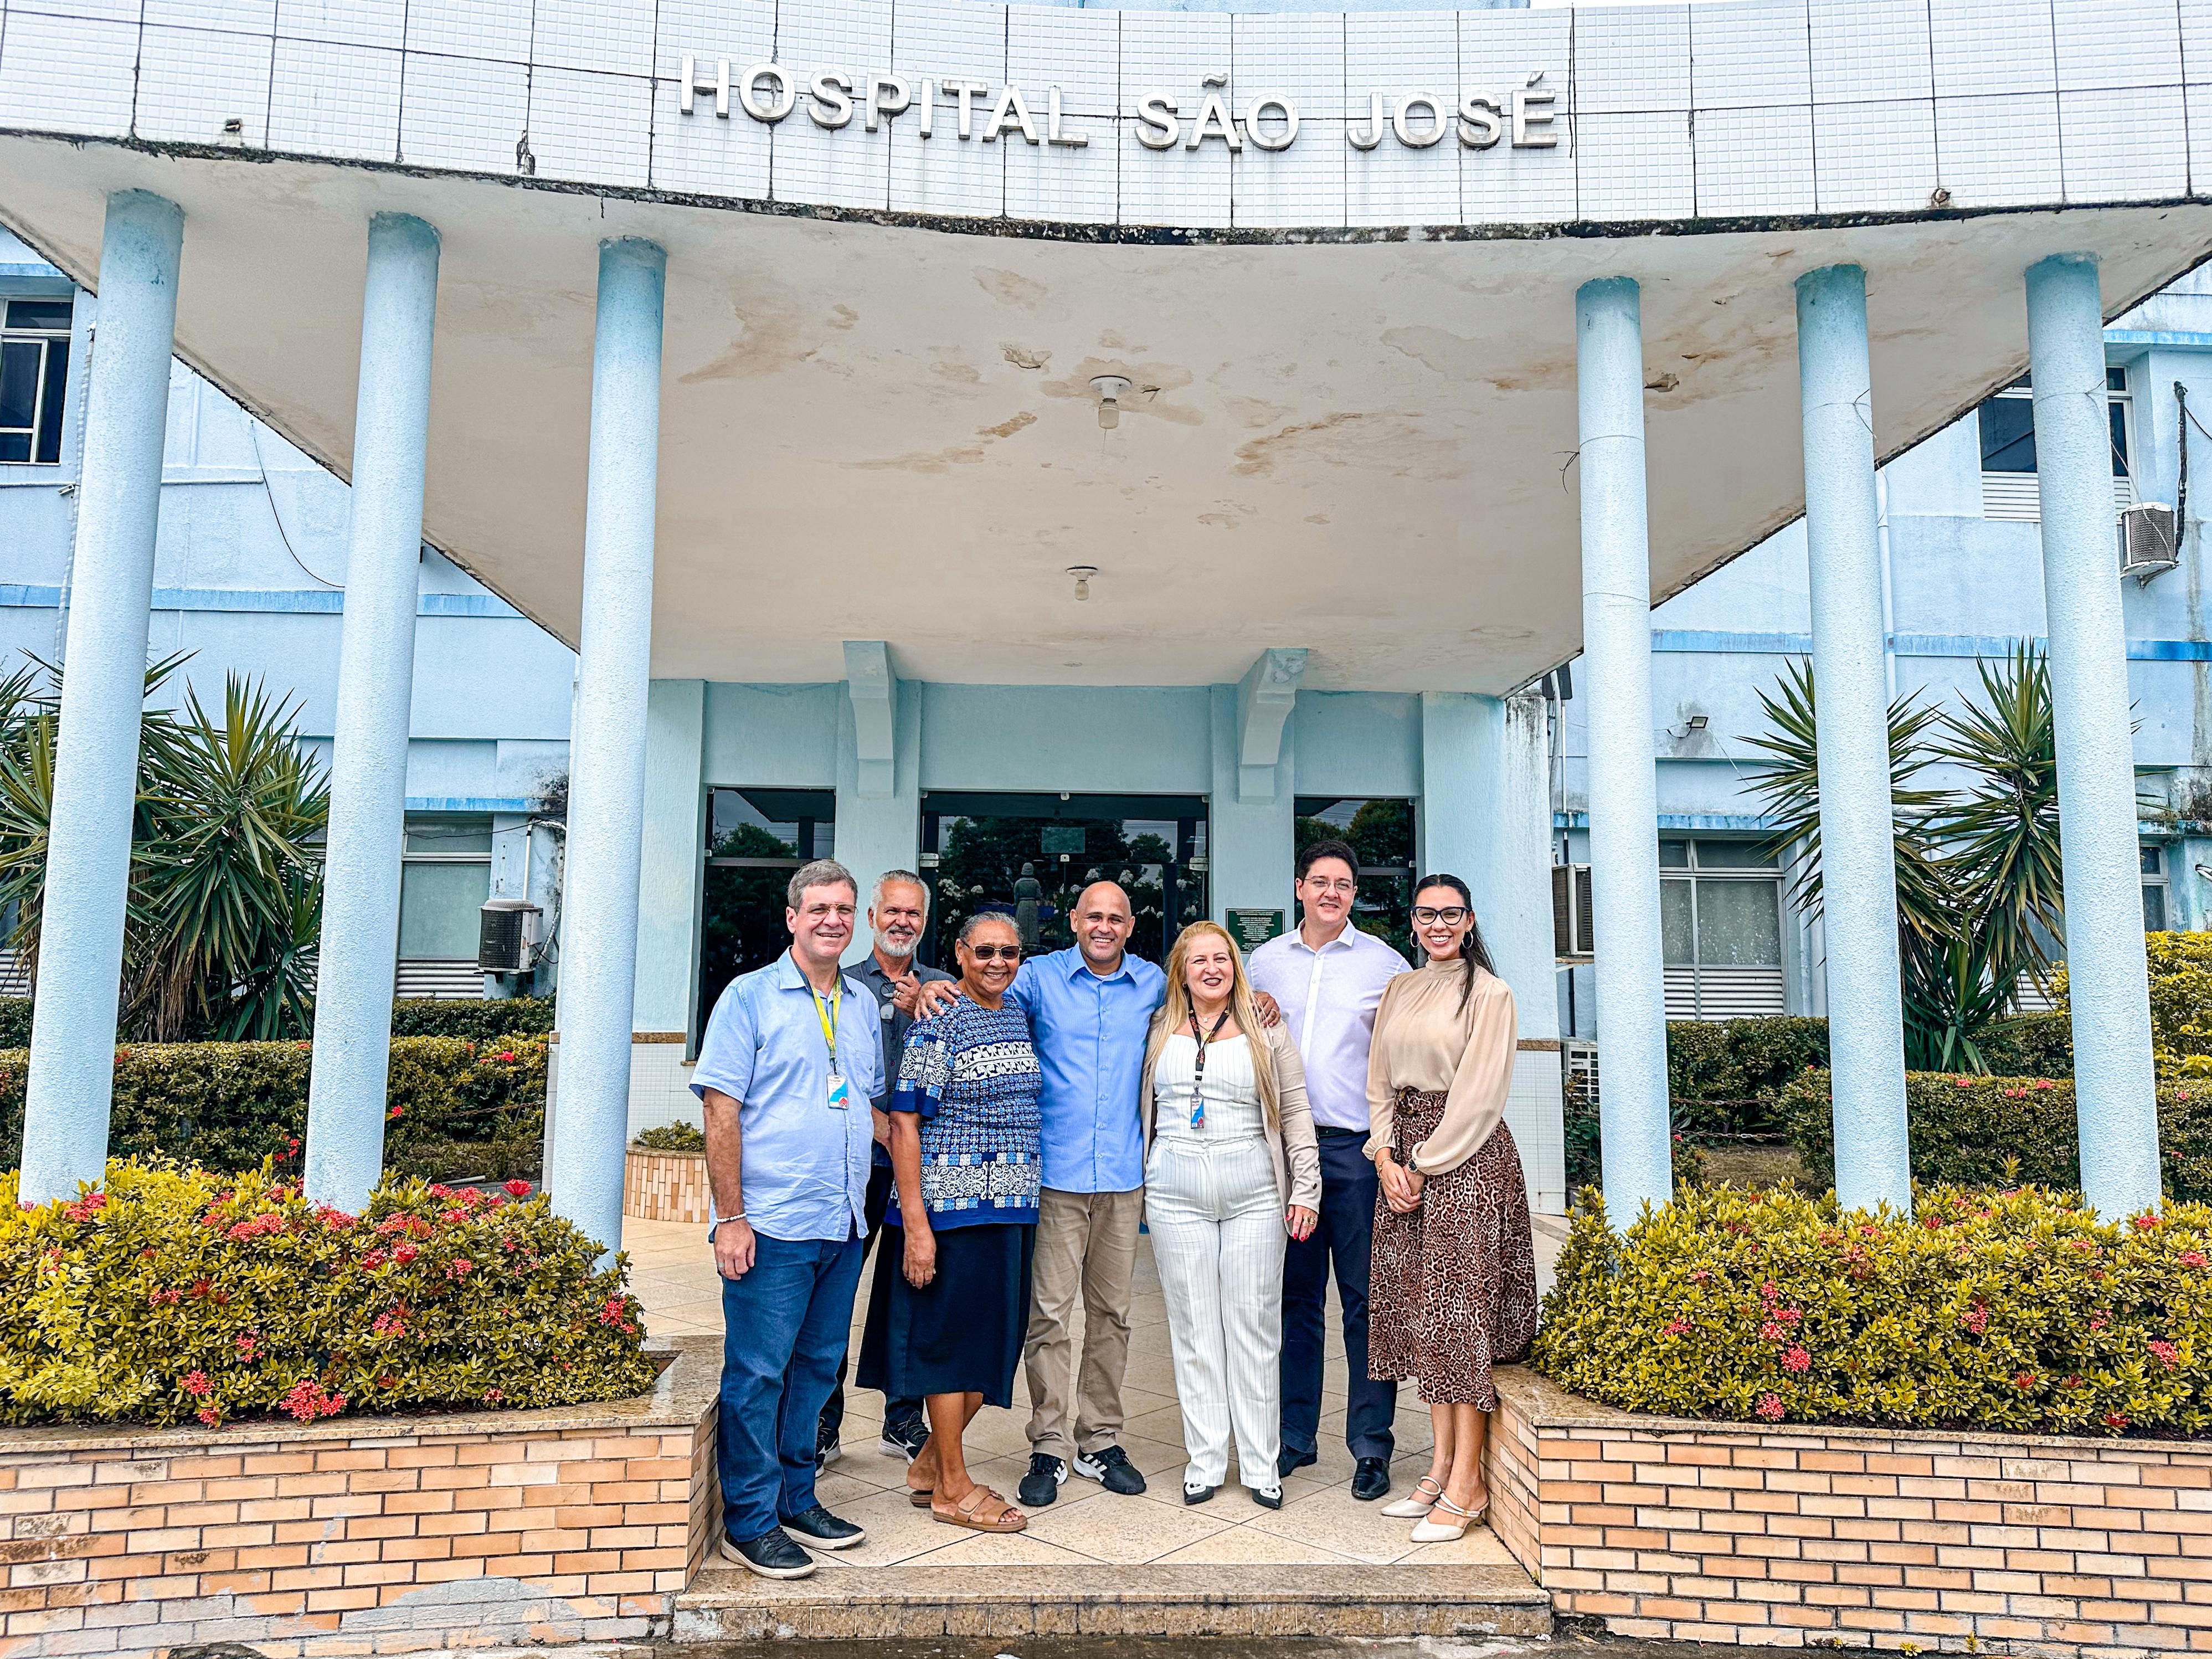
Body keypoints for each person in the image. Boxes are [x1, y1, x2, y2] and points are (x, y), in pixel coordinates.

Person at [908, 880, 1163, 1510]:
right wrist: (931, 987)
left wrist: (1258, 996)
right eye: (1093, 915)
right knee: (1047, 1316)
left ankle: (1099, 1439)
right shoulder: (1036, 977)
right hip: (1053, 1176)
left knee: (1112, 1315)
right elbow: (980, 988)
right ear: (1073, 919)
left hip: (1122, 1176)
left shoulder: (1155, 984)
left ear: (1131, 926)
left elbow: (1213, 995)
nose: (1103, 926)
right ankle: (1048, 1442)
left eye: (1116, 918)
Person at [695, 858, 883, 1580]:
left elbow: (863, 1104)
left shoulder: (859, 1004)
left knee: (815, 1369)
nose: (833, 920)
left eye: (844, 908)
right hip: (771, 1223)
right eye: (819, 908)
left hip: (841, 1221)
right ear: (792, 917)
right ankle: (750, 1521)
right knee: (758, 1373)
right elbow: (721, 1111)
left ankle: (797, 1498)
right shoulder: (748, 997)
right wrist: (731, 1217)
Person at [1365, 874, 1539, 1543]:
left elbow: (1478, 1096)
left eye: (1451, 913)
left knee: (1460, 1318)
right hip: (1403, 1158)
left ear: (1468, 921)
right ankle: (1439, 1467)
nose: (1437, 924)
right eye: (1426, 913)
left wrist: (1421, 1162)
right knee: (1424, 1317)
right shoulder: (1400, 988)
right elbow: (1378, 1081)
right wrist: (1384, 1156)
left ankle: (1469, 1484)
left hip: (1465, 1162)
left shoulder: (1490, 993)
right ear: (1412, 921)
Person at [858, 912, 1043, 1533]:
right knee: (951, 1351)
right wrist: (916, 1224)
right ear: (960, 954)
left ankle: (928, 1466)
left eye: (1009, 951)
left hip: (1010, 1208)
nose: (998, 961)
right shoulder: (939, 1018)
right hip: (950, 1210)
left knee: (994, 1346)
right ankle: (952, 1489)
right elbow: (904, 1122)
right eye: (985, 950)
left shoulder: (1014, 1012)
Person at [1246, 839, 1409, 1502]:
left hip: (1356, 1151)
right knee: (1295, 1299)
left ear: (1353, 894)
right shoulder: (1263, 961)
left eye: (1342, 883)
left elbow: (1402, 1059)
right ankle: (1294, 1436)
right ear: (1299, 888)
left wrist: (1396, 1149)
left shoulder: (1386, 964)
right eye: (1319, 881)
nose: (1331, 893)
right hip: (1287, 1152)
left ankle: (1370, 1446)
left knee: (1365, 1301)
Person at [1139, 922, 1321, 1509]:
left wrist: (1306, 1188)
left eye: (1222, 958)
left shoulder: (1266, 1027)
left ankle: (1262, 1463)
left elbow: (1294, 1108)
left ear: (1235, 967)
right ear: (1181, 970)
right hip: (1175, 1190)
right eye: (1199, 960)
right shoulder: (1157, 1026)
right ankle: (1206, 1459)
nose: (1211, 968)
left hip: (1254, 1190)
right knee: (1194, 1329)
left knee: (1254, 1327)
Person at [816, 870, 948, 1468]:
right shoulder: (841, 985)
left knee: (912, 1295)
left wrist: (924, 1010)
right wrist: (882, 1129)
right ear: (872, 917)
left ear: (924, 921)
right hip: (859, 1166)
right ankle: (823, 1424)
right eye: (892, 911)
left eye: (913, 913)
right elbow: (833, 1073)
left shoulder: (944, 988)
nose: (902, 921)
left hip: (923, 1172)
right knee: (836, 1295)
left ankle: (903, 1421)